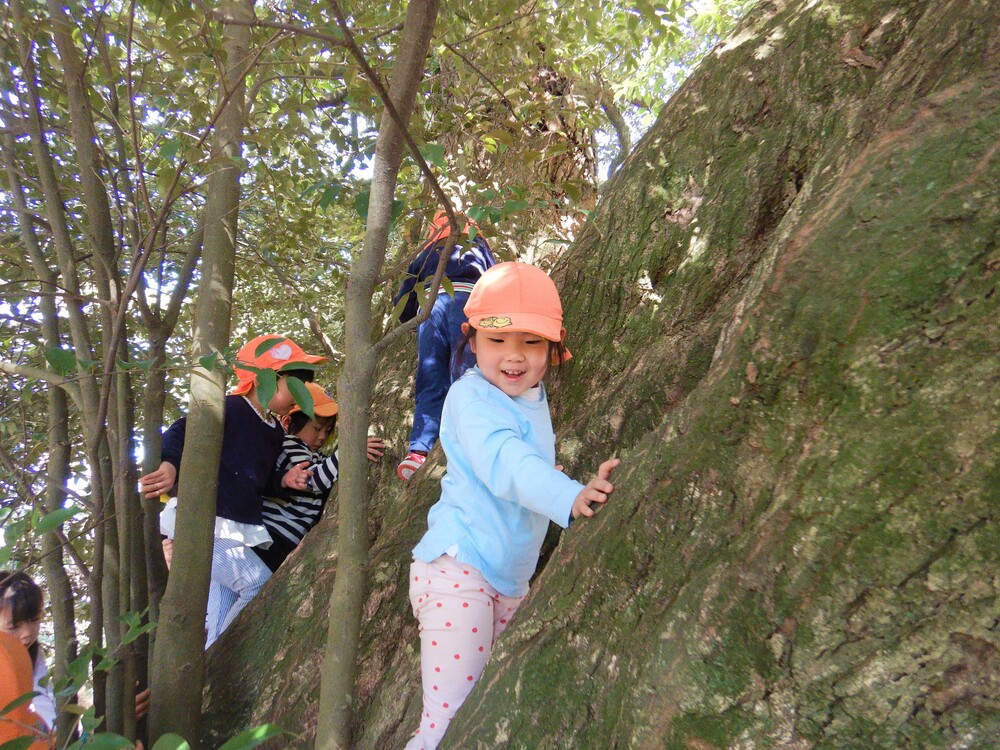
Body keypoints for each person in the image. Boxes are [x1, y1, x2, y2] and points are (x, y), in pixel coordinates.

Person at [404, 262, 621, 749]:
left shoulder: (530, 396)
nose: (514, 356)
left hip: (506, 579)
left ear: (553, 348)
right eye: (497, 341)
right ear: (472, 342)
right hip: (458, 570)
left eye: (531, 342)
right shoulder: (471, 396)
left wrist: (559, 487)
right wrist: (569, 496)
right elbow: (505, 461)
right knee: (449, 719)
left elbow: (524, 465)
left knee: (485, 709)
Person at [140, 334, 325, 646]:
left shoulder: (275, 431)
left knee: (222, 609)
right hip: (205, 524)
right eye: (293, 382)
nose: (300, 390)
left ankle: (213, 666)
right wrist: (170, 464)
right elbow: (182, 430)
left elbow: (259, 476)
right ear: (262, 379)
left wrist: (283, 479)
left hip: (235, 528)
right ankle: (219, 659)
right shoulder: (232, 408)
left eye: (303, 383)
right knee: (257, 583)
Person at [393, 210, 496, 480]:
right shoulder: (479, 246)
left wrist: (409, 319)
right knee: (468, 374)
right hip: (468, 307)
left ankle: (419, 449)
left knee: (431, 377)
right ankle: (471, 441)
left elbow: (406, 290)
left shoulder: (427, 251)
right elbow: (495, 279)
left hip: (430, 309)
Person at [254, 382, 386, 572]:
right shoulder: (291, 444)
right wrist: (350, 450)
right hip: (271, 539)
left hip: (285, 544)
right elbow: (312, 480)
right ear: (288, 422)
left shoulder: (317, 456)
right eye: (317, 428)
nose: (323, 436)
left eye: (328, 430)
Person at [0, 571, 56, 731]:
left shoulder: (32, 652)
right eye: (14, 627)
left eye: (35, 620)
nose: (28, 633)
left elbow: (43, 698)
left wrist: (55, 733)